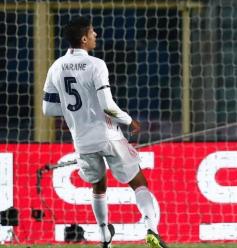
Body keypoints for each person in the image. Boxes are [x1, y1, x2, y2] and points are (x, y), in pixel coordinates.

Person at [42, 16, 168, 248]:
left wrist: (76, 112)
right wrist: (129, 121)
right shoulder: (96, 65)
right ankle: (151, 229)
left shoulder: (56, 66)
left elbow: (48, 108)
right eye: (92, 32)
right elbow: (107, 105)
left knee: (98, 185)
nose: (95, 35)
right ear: (83, 39)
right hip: (108, 135)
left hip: (82, 141)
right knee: (138, 181)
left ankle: (104, 236)